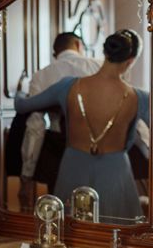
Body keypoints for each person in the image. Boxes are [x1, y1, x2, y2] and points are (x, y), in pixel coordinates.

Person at [15, 29, 149, 221]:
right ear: (132, 60)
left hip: (73, 166)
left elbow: (23, 106)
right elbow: (144, 136)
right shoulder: (140, 97)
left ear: (105, 52)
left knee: (70, 234)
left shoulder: (68, 86)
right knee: (118, 236)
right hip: (116, 173)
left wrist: (20, 92)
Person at [17, 32, 101, 209]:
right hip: (97, 150)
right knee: (97, 210)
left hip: (59, 152)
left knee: (62, 211)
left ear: (55, 53)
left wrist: (27, 174)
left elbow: (35, 128)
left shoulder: (41, 76)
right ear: (78, 45)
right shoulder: (99, 67)